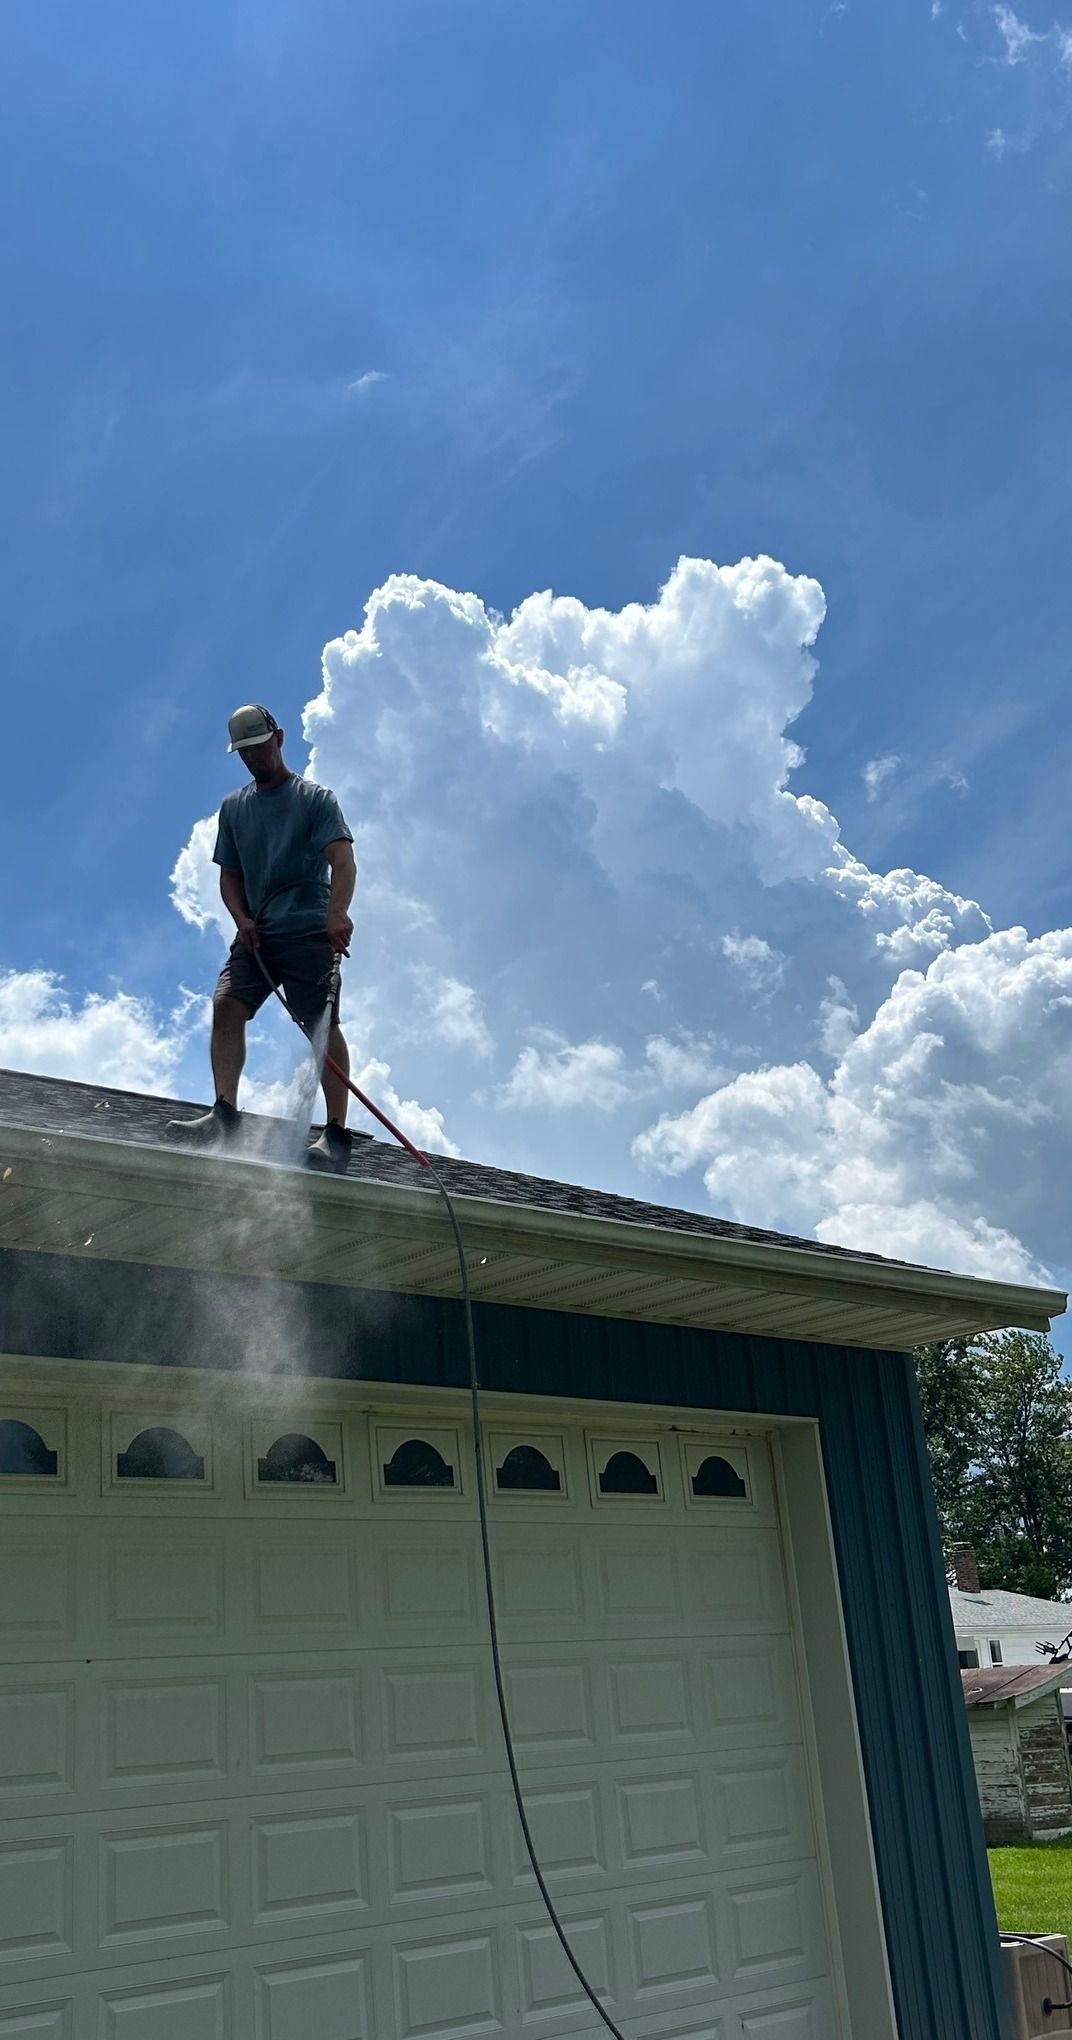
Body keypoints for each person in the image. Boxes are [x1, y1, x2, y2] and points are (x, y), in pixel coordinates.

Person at [167, 704, 357, 1173]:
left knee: (320, 1024)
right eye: (245, 752)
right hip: (258, 934)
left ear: (280, 738)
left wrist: (337, 915)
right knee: (226, 1004)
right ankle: (224, 1114)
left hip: (310, 929)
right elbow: (229, 876)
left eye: (259, 747)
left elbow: (343, 861)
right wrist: (241, 919)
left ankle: (334, 1133)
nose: (254, 758)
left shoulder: (315, 799)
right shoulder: (234, 808)